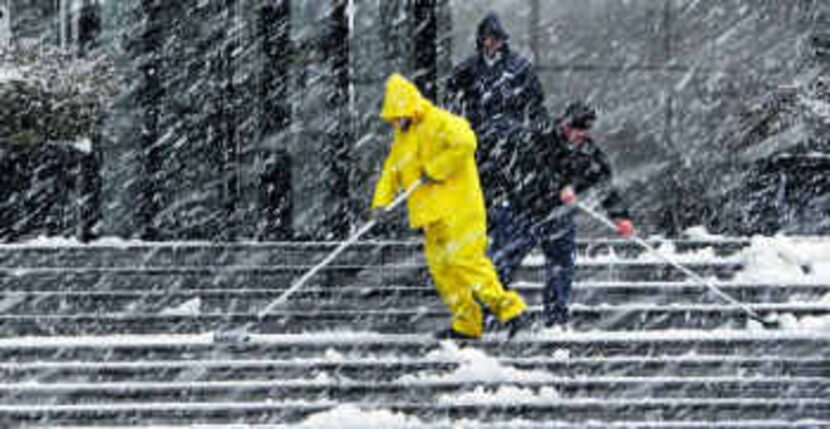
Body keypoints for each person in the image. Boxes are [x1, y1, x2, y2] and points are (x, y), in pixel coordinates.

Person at [371, 73, 528, 340]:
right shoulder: (403, 137)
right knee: (442, 271)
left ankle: (511, 309)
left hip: (459, 208)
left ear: (410, 107)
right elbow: (391, 170)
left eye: (398, 115)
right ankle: (466, 323)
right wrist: (380, 203)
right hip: (430, 215)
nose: (395, 121)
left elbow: (467, 143)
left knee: (465, 261)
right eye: (393, 117)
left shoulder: (440, 121)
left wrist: (436, 168)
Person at [492, 101, 634, 329]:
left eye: (582, 131)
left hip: (558, 216)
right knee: (502, 262)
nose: (577, 135)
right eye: (574, 128)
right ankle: (491, 312)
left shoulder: (588, 152)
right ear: (565, 123)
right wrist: (557, 186)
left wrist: (620, 217)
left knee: (561, 265)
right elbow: (524, 168)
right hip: (523, 211)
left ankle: (556, 317)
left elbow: (604, 185)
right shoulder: (539, 137)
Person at [446, 12, 549, 214]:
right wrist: (458, 128)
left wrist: (536, 126)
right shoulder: (467, 69)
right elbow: (453, 100)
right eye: (488, 38)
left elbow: (535, 101)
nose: (492, 43)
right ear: (481, 40)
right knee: (481, 187)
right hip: (479, 137)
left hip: (511, 137)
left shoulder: (519, 68)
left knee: (512, 185)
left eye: (496, 39)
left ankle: (512, 224)